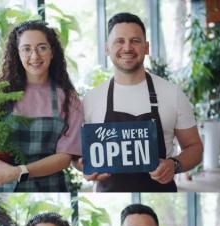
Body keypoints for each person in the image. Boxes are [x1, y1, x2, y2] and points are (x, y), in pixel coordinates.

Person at [80, 13, 203, 192]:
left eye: (135, 41)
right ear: (107, 48)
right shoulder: (91, 99)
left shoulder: (172, 94)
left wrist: (174, 164)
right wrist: (84, 167)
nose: (127, 47)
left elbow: (195, 148)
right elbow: (76, 156)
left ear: (146, 47)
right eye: (119, 41)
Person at [0, 21, 84, 192]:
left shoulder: (68, 99)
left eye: (42, 48)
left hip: (48, 188)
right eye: (26, 49)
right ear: (17, 53)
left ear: (52, 51)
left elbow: (65, 157)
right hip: (2, 189)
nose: (35, 56)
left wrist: (18, 172)